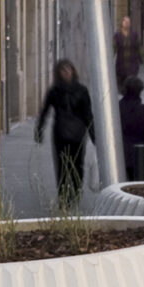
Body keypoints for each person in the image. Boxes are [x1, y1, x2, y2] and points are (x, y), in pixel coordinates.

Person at [36, 59, 95, 206]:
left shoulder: (82, 90)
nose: (66, 73)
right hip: (61, 134)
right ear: (59, 73)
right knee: (62, 166)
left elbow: (88, 114)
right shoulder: (54, 91)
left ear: (73, 71)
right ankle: (63, 196)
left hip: (78, 135)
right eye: (63, 70)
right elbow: (45, 111)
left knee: (77, 164)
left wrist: (94, 134)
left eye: (68, 70)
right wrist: (39, 129)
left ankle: (75, 192)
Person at [112, 15, 143, 85]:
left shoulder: (134, 35)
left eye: (128, 22)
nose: (126, 24)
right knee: (122, 84)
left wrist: (141, 58)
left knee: (132, 83)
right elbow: (113, 48)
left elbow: (138, 47)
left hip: (133, 65)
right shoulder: (117, 35)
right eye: (125, 22)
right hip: (121, 65)